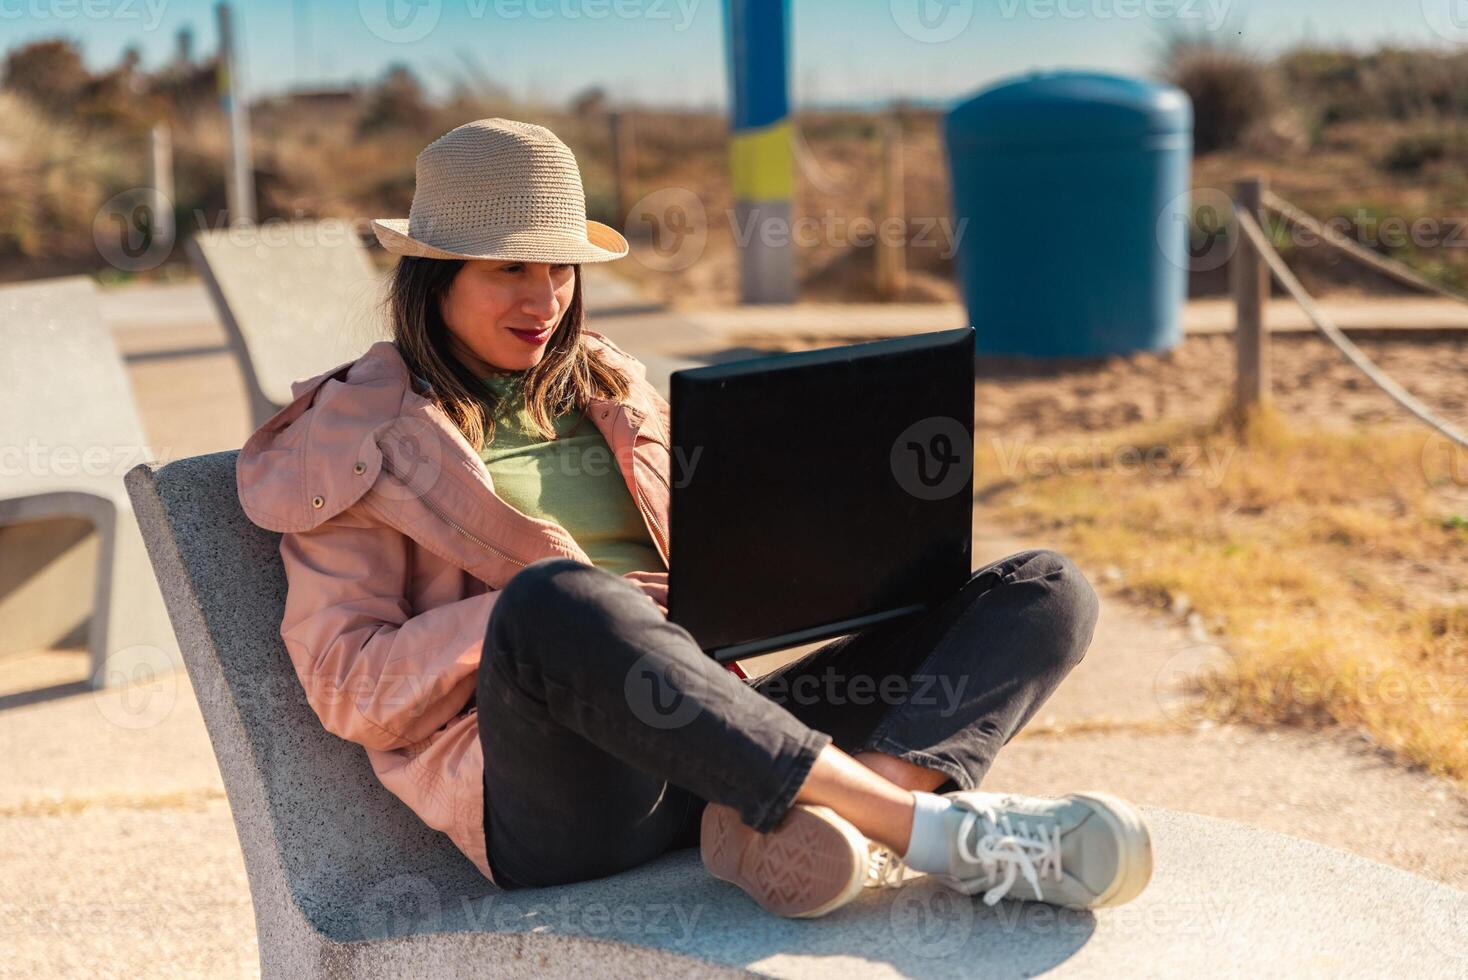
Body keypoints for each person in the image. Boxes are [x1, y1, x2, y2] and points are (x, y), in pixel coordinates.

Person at [235, 118, 1153, 920]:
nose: (543, 299)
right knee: (560, 600)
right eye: (508, 268)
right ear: (434, 277)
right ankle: (927, 831)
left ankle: (845, 817)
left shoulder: (612, 388)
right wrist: (556, 610)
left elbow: (717, 569)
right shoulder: (354, 441)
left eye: (560, 268)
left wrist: (825, 558)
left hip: (721, 734)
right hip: (563, 798)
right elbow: (347, 686)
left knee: (1042, 589)